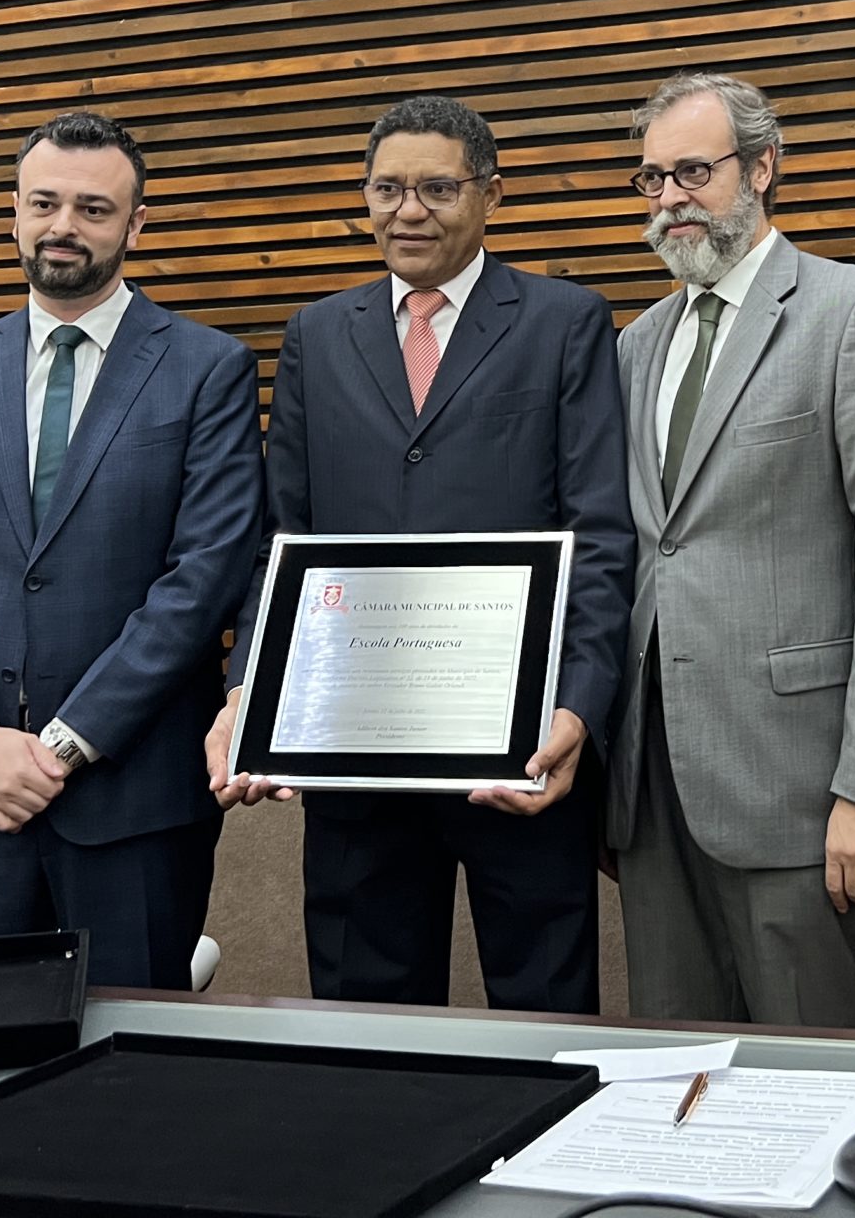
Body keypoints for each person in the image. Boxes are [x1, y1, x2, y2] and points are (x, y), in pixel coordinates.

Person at [206, 95, 632, 1014]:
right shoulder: (317, 334)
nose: (409, 211)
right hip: (357, 758)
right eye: (387, 189)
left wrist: (577, 709)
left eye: (437, 188)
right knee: (366, 1021)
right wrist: (252, 693)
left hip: (518, 746)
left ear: (490, 195)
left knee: (543, 1013)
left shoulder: (565, 321)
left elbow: (600, 536)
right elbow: (283, 540)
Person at [0, 111, 266, 990]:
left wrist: (68, 744)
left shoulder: (209, 370)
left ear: (136, 224)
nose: (63, 226)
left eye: (93, 208)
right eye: (44, 203)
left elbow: (204, 578)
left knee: (124, 1061)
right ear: (14, 211)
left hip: (131, 807)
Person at [605, 71, 855, 1029]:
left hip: (801, 788)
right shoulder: (636, 345)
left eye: (694, 172)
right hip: (654, 787)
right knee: (675, 1061)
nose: (671, 198)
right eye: (651, 179)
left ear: (762, 168)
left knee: (815, 1069)